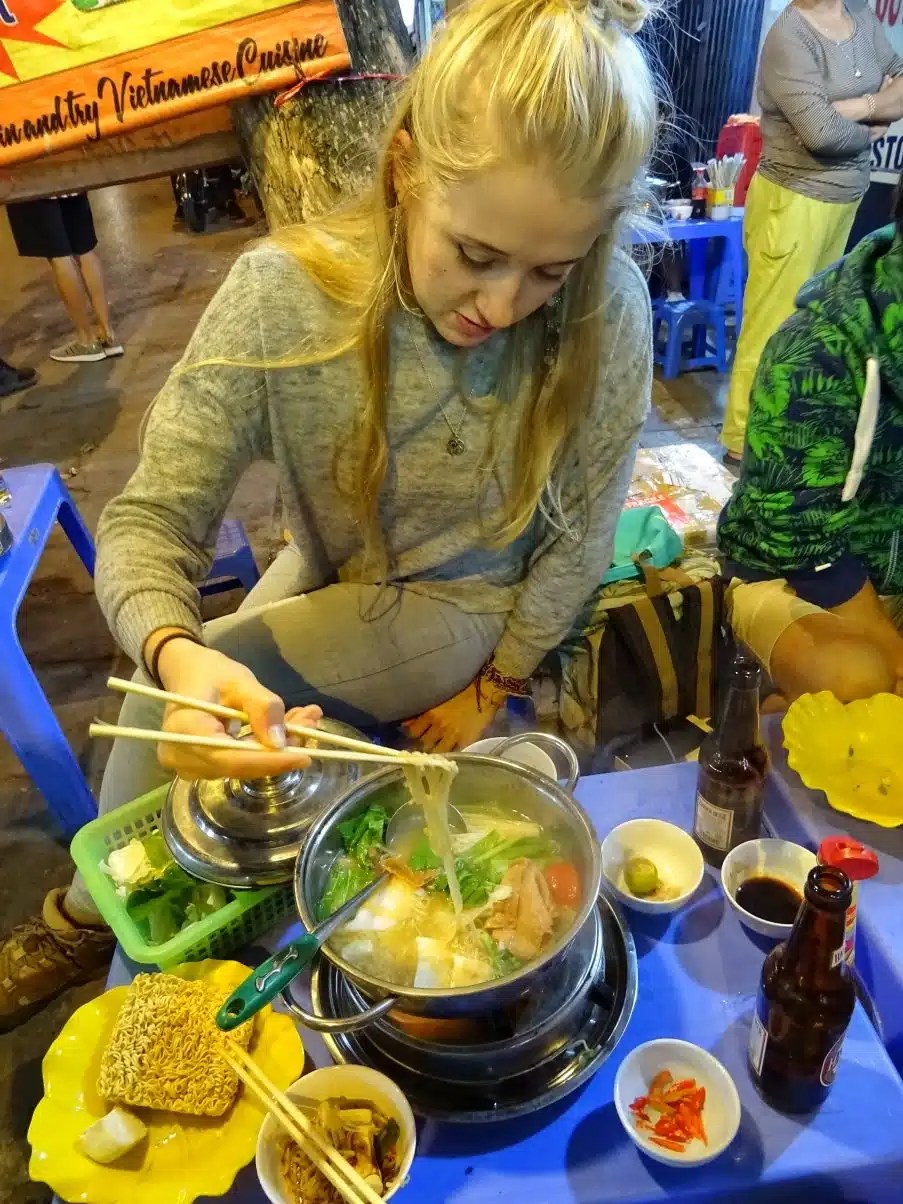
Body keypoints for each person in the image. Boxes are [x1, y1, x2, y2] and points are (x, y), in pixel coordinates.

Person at [0, 0, 661, 1029]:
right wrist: (177, 653)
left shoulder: (608, 308)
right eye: (474, 252)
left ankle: (88, 921)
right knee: (180, 692)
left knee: (185, 698)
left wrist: (494, 684)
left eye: (549, 271)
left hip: (470, 603)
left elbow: (581, 538)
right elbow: (150, 518)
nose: (501, 306)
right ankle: (130, 924)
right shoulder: (284, 295)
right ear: (405, 165)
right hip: (338, 568)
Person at [718, 184, 903, 710]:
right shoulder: (816, 347)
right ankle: (760, 721)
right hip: (788, 573)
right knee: (859, 680)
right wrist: (894, 654)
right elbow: (798, 538)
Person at [721, 0, 903, 464]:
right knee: (771, 324)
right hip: (793, 197)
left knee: (813, 327)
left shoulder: (859, 15)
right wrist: (874, 125)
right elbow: (821, 134)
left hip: (845, 198)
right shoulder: (791, 35)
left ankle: (785, 427)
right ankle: (743, 441)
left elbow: (899, 83)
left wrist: (857, 107)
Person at [6, 193, 123, 364]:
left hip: (34, 186)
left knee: (59, 256)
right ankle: (107, 333)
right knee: (84, 250)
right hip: (67, 181)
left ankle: (86, 340)